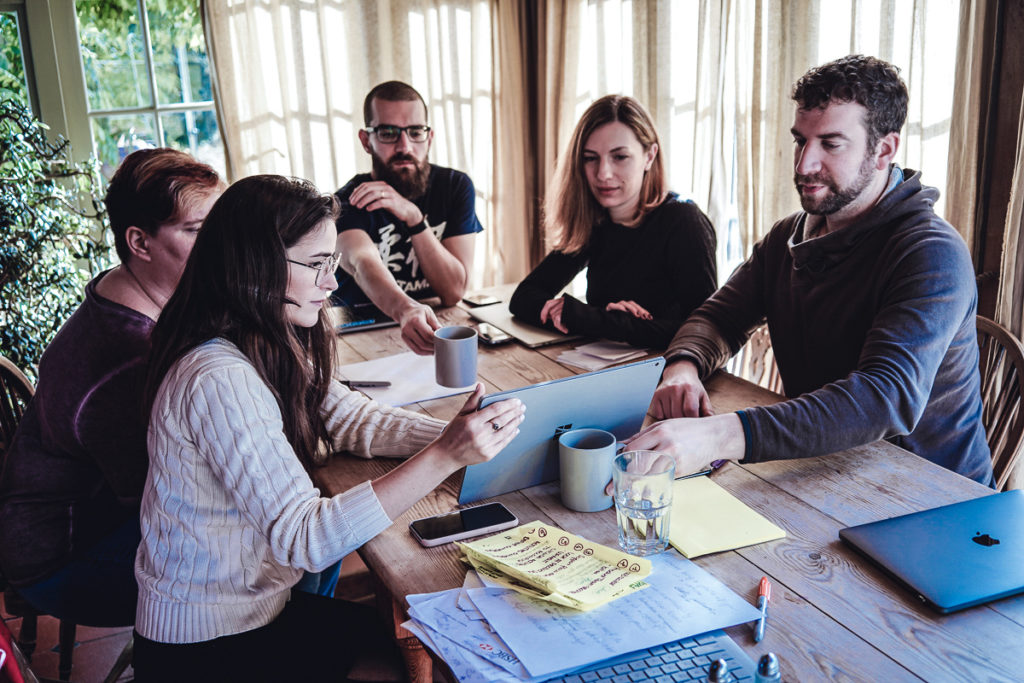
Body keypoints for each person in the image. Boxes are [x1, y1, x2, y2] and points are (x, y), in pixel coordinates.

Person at [131, 175, 524, 681]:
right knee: (420, 650)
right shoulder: (219, 376)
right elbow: (306, 538)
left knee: (411, 639)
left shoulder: (264, 336)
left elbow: (353, 417)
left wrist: (465, 437)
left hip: (254, 613)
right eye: (316, 265)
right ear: (256, 266)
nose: (332, 283)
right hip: (204, 649)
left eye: (332, 262)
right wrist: (446, 456)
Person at [628, 55, 993, 486]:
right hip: (827, 470)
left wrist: (721, 434)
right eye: (800, 141)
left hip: (932, 499)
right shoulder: (788, 236)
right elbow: (717, 317)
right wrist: (683, 367)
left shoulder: (931, 252)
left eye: (831, 144)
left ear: (885, 150)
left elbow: (882, 398)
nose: (803, 165)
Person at [0, 148, 224, 626]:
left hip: (98, 522)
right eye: (198, 231)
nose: (220, 244)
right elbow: (164, 501)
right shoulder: (128, 355)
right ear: (139, 243)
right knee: (288, 539)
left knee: (290, 525)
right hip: (66, 562)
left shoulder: (131, 288)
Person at [509, 95, 717, 349]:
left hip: (675, 376)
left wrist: (598, 320)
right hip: (607, 368)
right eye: (590, 158)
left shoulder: (684, 221)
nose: (602, 174)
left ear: (649, 156)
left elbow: (705, 331)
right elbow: (524, 297)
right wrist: (602, 320)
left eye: (619, 157)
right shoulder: (597, 218)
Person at [335, 80, 483, 354]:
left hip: (433, 328)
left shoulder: (455, 186)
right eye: (388, 132)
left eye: (415, 132)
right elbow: (361, 262)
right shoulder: (346, 201)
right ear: (367, 141)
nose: (405, 145)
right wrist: (406, 309)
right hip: (359, 337)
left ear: (429, 137)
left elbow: (453, 291)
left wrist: (414, 218)